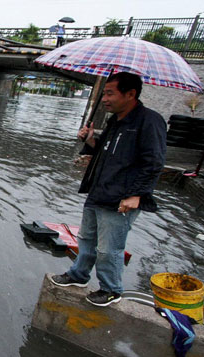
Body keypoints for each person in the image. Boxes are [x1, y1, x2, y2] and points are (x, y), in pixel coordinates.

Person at [51, 72, 167, 307]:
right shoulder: (115, 122)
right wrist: (91, 140)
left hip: (121, 198)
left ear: (131, 94)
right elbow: (106, 154)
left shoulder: (149, 121)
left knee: (109, 249)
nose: (104, 99)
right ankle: (78, 275)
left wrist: (136, 195)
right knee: (86, 239)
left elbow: (153, 162)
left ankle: (111, 289)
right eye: (104, 93)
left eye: (110, 93)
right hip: (98, 192)